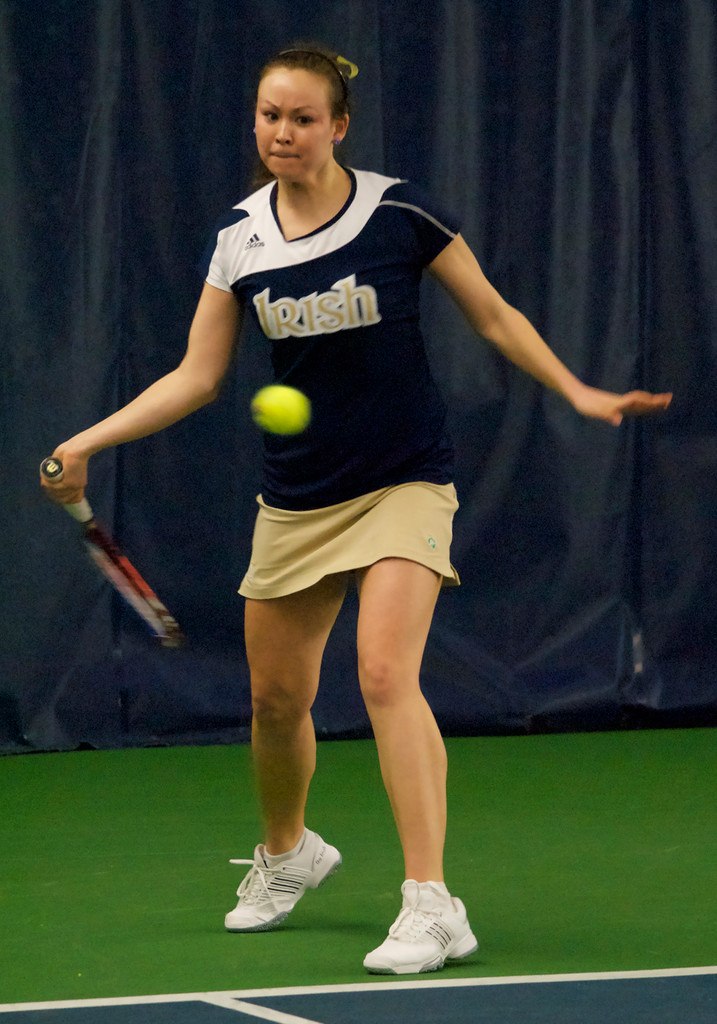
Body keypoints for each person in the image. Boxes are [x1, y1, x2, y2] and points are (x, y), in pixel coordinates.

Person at [42, 45, 672, 975]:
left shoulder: (400, 213)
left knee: (384, 673)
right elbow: (198, 375)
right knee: (274, 701)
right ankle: (290, 852)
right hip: (297, 497)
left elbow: (493, 316)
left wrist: (574, 391)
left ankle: (431, 902)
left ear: (339, 126)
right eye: (268, 116)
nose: (281, 133)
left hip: (404, 479)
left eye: (301, 118)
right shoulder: (240, 237)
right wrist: (90, 440)